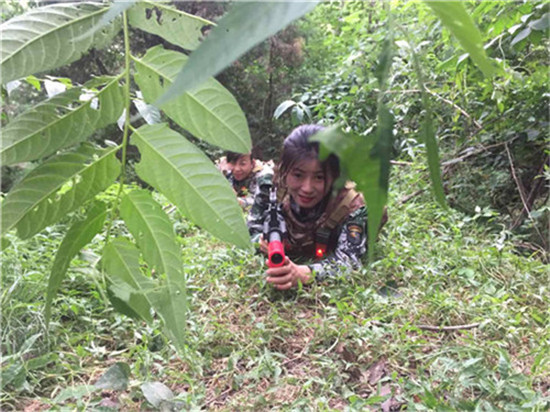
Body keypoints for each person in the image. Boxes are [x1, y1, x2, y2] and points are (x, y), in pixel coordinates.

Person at [248, 124, 368, 290]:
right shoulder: (270, 186)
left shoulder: (351, 205)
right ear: (284, 171)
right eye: (298, 175)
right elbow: (251, 229)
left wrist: (304, 273)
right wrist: (260, 242)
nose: (307, 188)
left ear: (334, 176)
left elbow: (349, 262)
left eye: (319, 177)